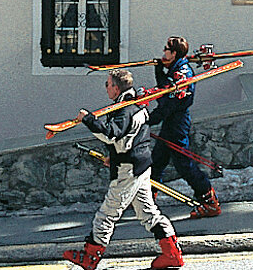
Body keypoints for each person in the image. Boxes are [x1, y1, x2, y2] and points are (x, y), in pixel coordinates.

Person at [63, 68, 184, 270]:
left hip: (129, 169)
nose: (106, 88)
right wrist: (116, 155)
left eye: (108, 84)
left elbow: (111, 134)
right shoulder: (137, 105)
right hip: (141, 164)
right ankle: (172, 254)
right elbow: (135, 136)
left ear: (116, 87)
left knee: (107, 214)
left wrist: (88, 120)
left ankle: (91, 256)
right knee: (148, 213)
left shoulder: (124, 110)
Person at [149, 36, 221, 219]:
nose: (163, 52)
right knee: (157, 161)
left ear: (173, 53)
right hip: (171, 121)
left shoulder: (183, 72)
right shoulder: (176, 68)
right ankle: (147, 200)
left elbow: (171, 101)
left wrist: (150, 119)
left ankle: (209, 201)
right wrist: (160, 71)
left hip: (177, 122)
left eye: (166, 49)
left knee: (184, 165)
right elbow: (166, 90)